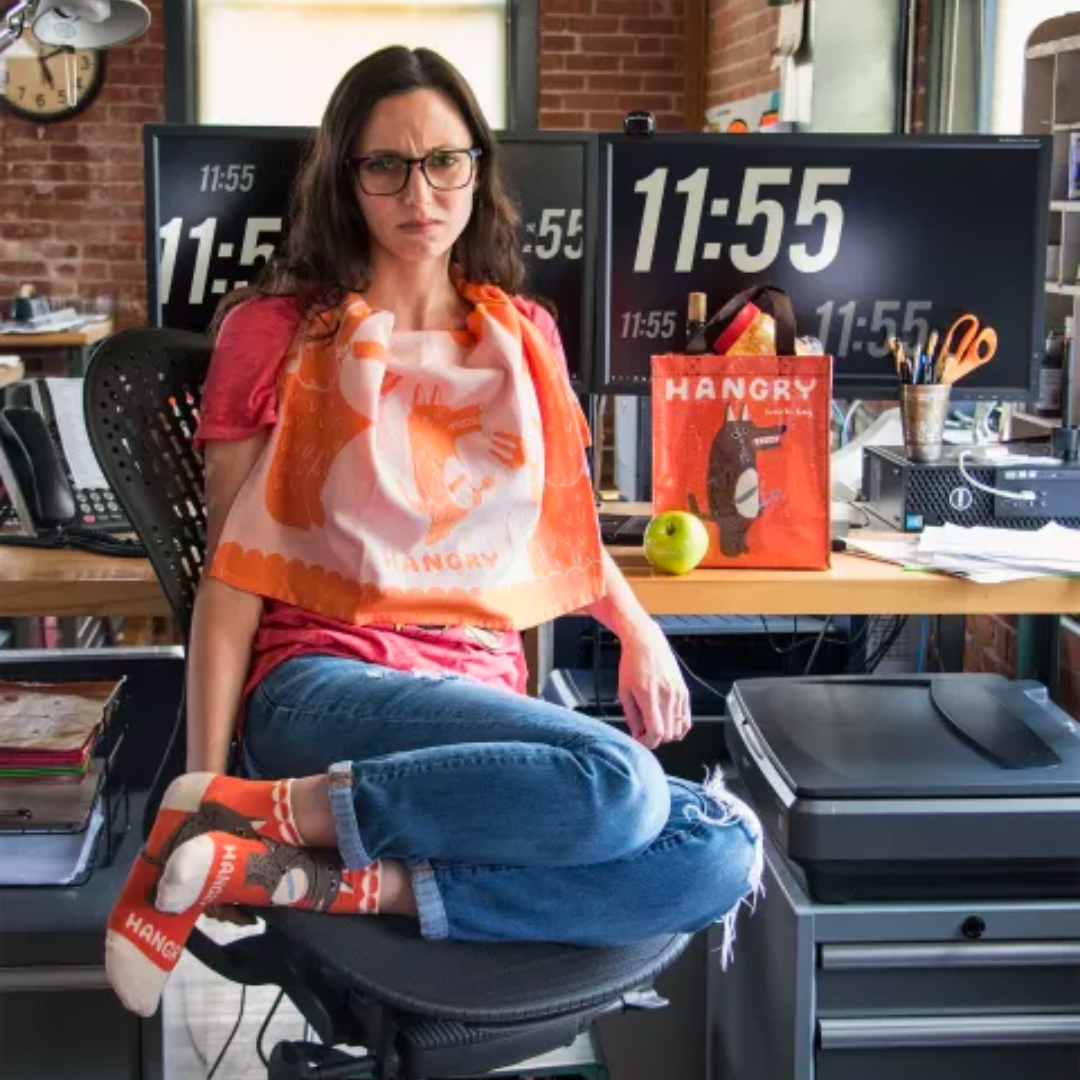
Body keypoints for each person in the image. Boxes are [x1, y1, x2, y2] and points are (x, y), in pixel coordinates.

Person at [105, 46, 762, 1019]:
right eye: (387, 165)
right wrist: (204, 775)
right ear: (348, 180)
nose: (421, 192)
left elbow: (560, 526)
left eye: (444, 161)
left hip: (475, 710)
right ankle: (239, 821)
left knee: (722, 848)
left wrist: (640, 629)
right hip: (326, 690)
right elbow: (232, 575)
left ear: (478, 169)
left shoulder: (522, 336)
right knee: (621, 785)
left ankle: (306, 872)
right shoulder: (278, 334)